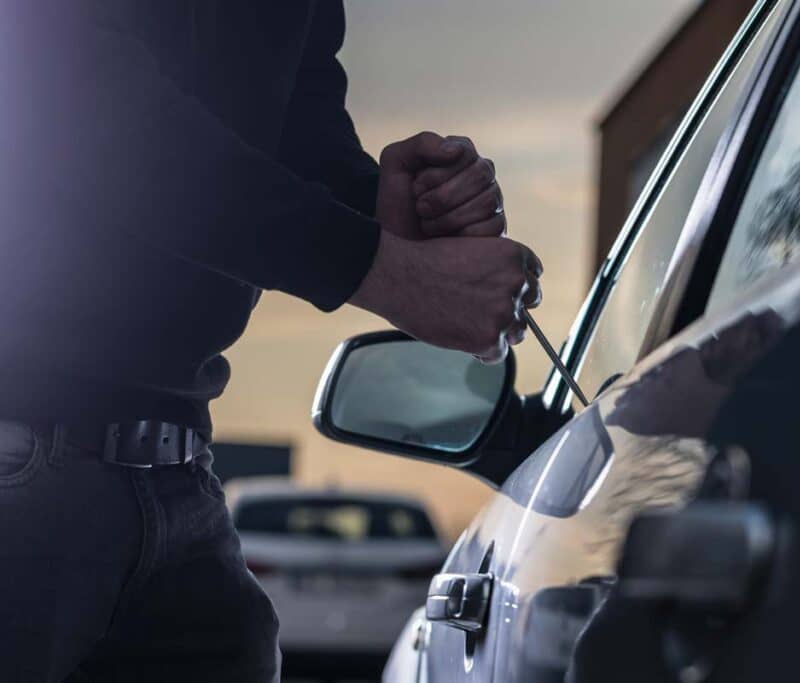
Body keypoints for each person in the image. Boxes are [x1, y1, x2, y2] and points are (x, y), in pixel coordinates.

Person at [0, 1, 542, 681]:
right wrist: (387, 272)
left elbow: (294, 121)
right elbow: (73, 98)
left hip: (176, 471)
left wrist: (378, 207)